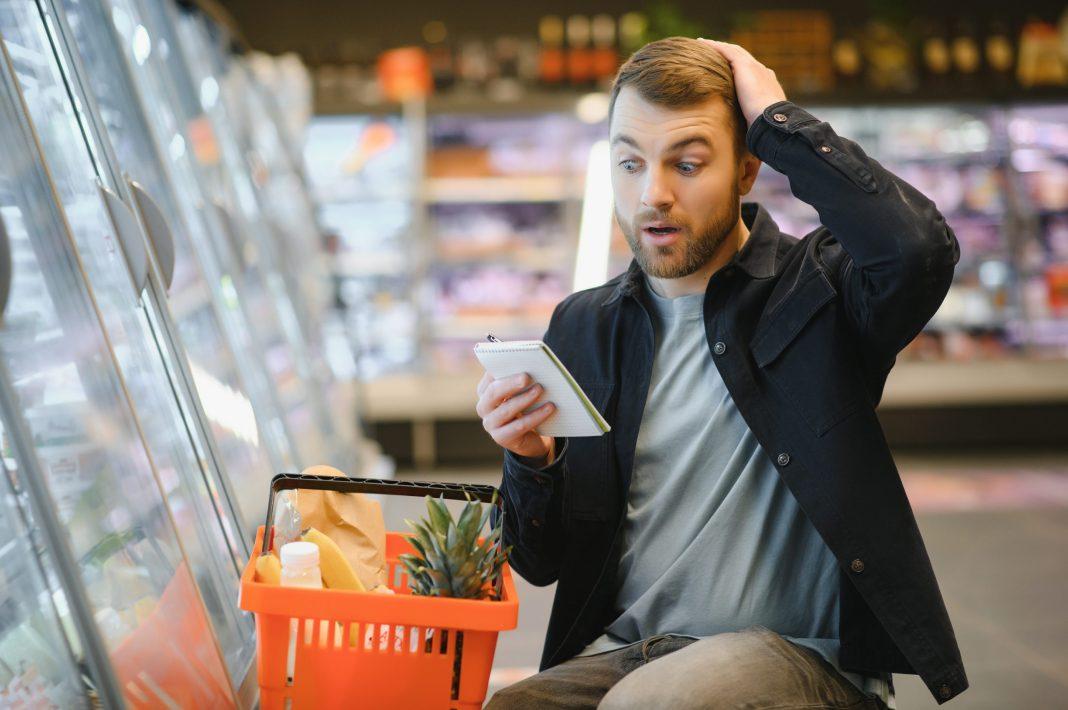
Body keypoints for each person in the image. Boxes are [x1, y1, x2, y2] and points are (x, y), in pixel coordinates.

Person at [476, 37, 968, 709]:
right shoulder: (583, 328)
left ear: (745, 170)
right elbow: (541, 563)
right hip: (630, 651)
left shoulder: (818, 290)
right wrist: (530, 459)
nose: (653, 194)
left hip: (801, 662)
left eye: (687, 162)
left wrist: (777, 120)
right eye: (629, 162)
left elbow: (916, 252)